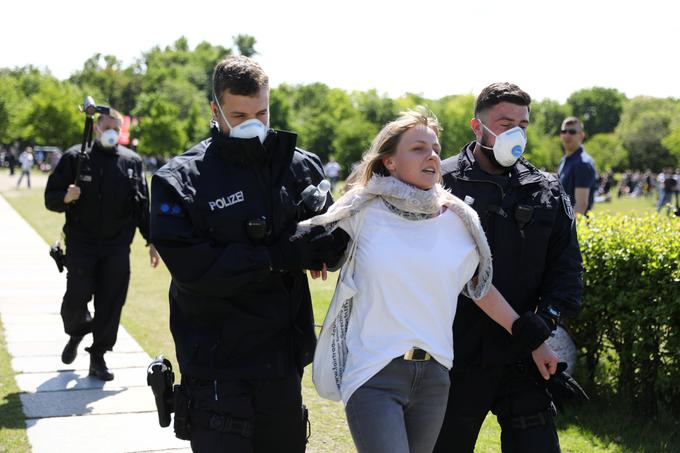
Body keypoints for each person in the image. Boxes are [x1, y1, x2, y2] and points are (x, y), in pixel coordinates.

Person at [299, 108, 558, 453]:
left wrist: (533, 341)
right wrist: (311, 243)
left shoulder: (459, 219)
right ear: (389, 162)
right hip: (373, 374)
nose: (432, 155)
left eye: (435, 148)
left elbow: (480, 290)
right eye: (418, 148)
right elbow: (316, 246)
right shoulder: (362, 210)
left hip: (435, 378)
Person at [149, 55, 347, 453]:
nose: (253, 123)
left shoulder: (299, 166)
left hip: (281, 360)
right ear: (215, 110)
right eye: (239, 114)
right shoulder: (178, 180)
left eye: (262, 112)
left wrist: (326, 245)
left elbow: (335, 238)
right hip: (215, 363)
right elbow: (195, 270)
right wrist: (279, 255)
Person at [431, 83, 583, 453]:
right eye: (504, 122)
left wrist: (543, 321)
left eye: (523, 125)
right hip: (456, 357)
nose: (515, 133)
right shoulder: (440, 182)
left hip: (523, 353)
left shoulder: (545, 188)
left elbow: (567, 269)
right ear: (477, 126)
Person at [44, 108, 159, 381]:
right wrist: (67, 197)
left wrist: (152, 240)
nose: (112, 132)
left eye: (116, 128)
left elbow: (142, 206)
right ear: (96, 128)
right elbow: (51, 198)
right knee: (75, 300)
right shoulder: (76, 158)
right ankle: (76, 331)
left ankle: (98, 356)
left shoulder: (132, 162)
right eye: (108, 127)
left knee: (111, 303)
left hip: (117, 247)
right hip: (81, 245)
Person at [556, 117, 597, 215]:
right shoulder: (564, 160)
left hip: (575, 228)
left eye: (572, 132)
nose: (567, 135)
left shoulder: (583, 164)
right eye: (564, 131)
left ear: (581, 136)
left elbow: (581, 206)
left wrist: (568, 230)